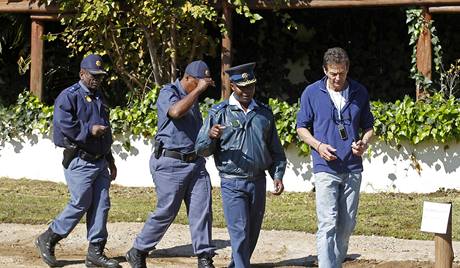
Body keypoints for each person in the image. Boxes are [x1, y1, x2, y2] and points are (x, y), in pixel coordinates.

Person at [125, 60, 216, 268]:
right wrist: (198, 92)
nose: (202, 88)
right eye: (199, 83)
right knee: (166, 211)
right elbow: (175, 112)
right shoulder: (169, 91)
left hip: (195, 164)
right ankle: (138, 250)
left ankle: (204, 257)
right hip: (170, 163)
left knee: (202, 210)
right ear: (187, 78)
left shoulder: (194, 101)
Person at [195, 62, 287, 268]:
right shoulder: (218, 112)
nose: (247, 91)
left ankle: (237, 265)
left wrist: (278, 175)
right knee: (239, 233)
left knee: (252, 234)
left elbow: (276, 151)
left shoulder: (263, 113)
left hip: (258, 182)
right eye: (242, 87)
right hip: (232, 183)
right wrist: (210, 136)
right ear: (233, 87)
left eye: (251, 87)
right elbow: (201, 150)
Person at [35, 54, 120, 268]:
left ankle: (95, 252)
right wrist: (89, 130)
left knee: (101, 205)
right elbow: (65, 124)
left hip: (100, 161)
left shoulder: (99, 96)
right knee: (80, 202)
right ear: (82, 73)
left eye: (100, 76)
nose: (97, 79)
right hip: (80, 160)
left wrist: (110, 158)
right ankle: (49, 237)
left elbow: (105, 130)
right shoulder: (69, 96)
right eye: (93, 75)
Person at [296, 47, 374, 268]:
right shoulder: (311, 93)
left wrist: (364, 143)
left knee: (347, 225)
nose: (337, 78)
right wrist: (318, 146)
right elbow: (301, 128)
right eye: (333, 73)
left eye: (341, 73)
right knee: (328, 223)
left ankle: (335, 263)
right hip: (325, 167)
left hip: (352, 167)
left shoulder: (360, 92)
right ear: (325, 70)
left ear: (347, 69)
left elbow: (369, 127)